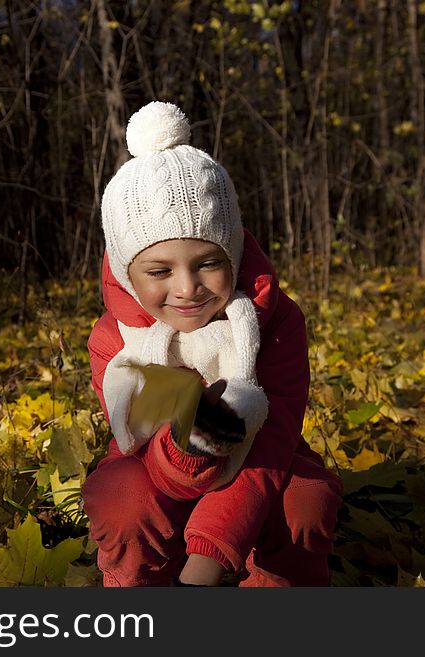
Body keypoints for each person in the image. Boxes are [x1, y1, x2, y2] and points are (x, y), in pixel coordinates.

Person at [81, 101, 343, 587]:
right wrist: (195, 445)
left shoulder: (275, 320)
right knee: (118, 499)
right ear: (126, 272)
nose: (186, 288)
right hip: (154, 463)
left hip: (261, 462)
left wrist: (213, 544)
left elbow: (275, 432)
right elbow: (138, 441)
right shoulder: (115, 341)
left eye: (207, 263)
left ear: (235, 250)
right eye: (159, 271)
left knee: (305, 499)